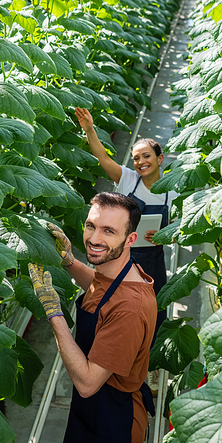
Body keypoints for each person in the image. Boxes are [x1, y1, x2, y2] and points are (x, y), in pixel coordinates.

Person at [28, 192, 157, 443]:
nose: (95, 238)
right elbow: (99, 289)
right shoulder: (119, 269)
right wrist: (69, 261)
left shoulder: (130, 308)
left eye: (108, 231)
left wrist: (54, 313)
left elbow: (86, 383)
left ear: (131, 238)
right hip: (96, 418)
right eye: (91, 226)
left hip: (114, 426)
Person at [74, 106, 177, 337]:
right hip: (122, 257)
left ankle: (148, 351)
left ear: (159, 159)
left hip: (153, 261)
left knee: (153, 307)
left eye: (146, 156)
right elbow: (101, 157)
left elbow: (179, 227)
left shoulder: (172, 191)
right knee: (115, 305)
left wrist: (166, 235)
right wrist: (90, 129)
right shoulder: (128, 179)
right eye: (136, 158)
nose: (140, 162)